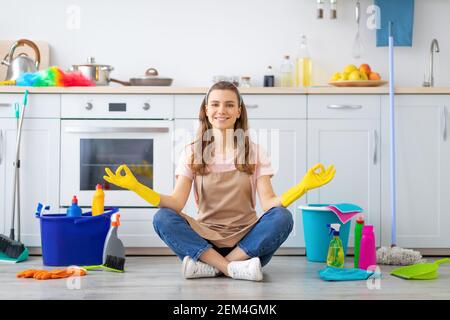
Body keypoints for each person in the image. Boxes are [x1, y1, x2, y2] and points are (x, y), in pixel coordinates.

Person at [103, 81, 335, 281]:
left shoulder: (255, 152)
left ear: (238, 111)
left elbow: (269, 203)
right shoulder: (192, 153)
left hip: (248, 243)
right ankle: (231, 269)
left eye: (229, 104)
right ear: (206, 110)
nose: (221, 110)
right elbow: (175, 203)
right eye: (215, 104)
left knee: (282, 217)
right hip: (204, 239)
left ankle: (212, 267)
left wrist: (303, 186)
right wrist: (137, 187)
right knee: (163, 217)